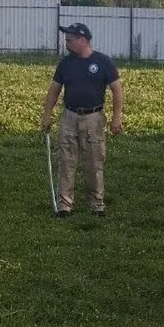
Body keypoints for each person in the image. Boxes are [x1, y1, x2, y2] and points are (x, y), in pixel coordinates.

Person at [40, 23, 123, 218]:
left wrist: (116, 117)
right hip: (69, 116)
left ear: (83, 39)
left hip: (94, 118)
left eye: (70, 40)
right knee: (67, 160)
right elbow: (54, 89)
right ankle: (65, 205)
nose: (66, 43)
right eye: (66, 40)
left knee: (94, 161)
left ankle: (96, 203)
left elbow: (117, 90)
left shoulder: (103, 62)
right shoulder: (65, 63)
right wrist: (47, 114)